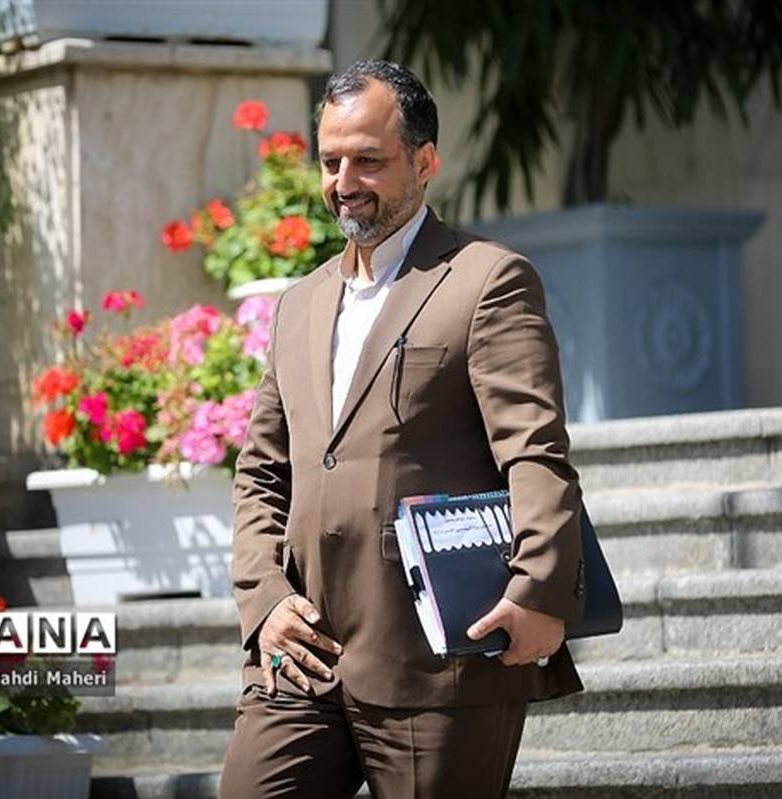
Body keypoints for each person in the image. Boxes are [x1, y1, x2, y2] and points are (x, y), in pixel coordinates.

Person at [219, 59, 585, 799]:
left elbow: (534, 451)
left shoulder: (487, 279)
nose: (344, 181)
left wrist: (540, 590)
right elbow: (262, 472)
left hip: (438, 661)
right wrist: (263, 599)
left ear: (424, 162)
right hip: (304, 656)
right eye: (330, 162)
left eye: (368, 161)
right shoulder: (298, 303)